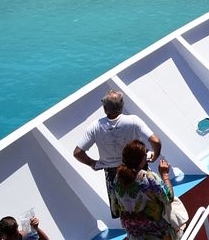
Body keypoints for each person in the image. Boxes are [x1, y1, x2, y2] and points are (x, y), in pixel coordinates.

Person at [73, 89, 162, 218]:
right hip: (137, 168)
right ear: (122, 106)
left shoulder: (95, 126)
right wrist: (154, 156)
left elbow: (78, 152)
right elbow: (155, 141)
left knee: (123, 210)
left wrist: (94, 164)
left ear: (105, 109)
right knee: (149, 203)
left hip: (112, 173)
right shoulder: (133, 120)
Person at [111, 140, 179, 240]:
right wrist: (165, 175)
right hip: (157, 233)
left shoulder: (117, 178)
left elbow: (115, 209)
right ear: (142, 159)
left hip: (134, 234)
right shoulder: (148, 177)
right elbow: (168, 198)